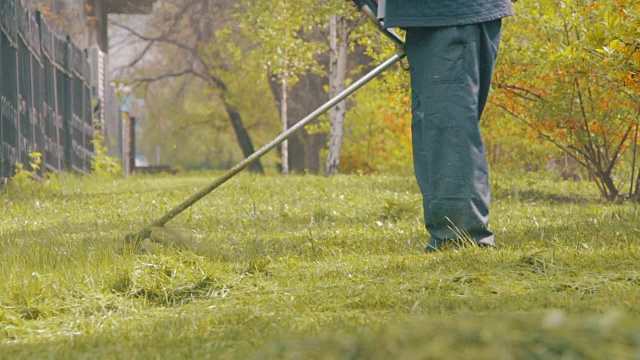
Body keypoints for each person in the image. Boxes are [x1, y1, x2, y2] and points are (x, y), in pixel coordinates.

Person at [377, 0, 514, 251]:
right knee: (440, 126)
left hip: (449, 16)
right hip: (444, 16)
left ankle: (460, 236)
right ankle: (455, 232)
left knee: (448, 129)